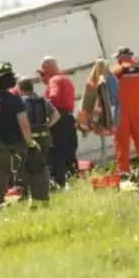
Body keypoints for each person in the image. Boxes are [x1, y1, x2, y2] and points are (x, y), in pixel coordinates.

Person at [0, 62, 39, 219]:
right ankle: (36, 206)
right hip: (12, 149)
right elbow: (24, 125)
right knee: (33, 174)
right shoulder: (14, 101)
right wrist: (31, 144)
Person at [111, 46, 139, 177]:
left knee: (122, 144)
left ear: (120, 58)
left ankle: (124, 172)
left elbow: (108, 94)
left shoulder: (115, 72)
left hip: (121, 114)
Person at [16, 76, 60, 206]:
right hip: (44, 136)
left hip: (29, 138)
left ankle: (31, 197)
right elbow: (56, 115)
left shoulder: (20, 103)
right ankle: (44, 195)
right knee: (42, 166)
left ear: (19, 88)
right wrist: (47, 126)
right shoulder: (42, 100)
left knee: (28, 168)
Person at [38, 56, 78, 188]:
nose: (41, 78)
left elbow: (54, 98)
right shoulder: (66, 80)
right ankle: (73, 178)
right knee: (70, 150)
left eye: (42, 74)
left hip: (58, 119)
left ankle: (60, 182)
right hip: (69, 118)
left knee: (57, 151)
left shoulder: (54, 80)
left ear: (48, 71)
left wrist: (41, 106)